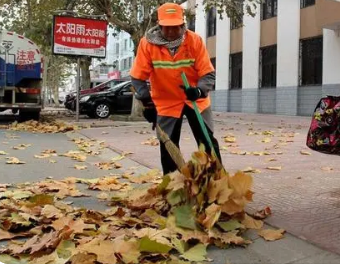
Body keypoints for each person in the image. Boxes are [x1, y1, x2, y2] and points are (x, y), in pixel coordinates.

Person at [130, 2, 222, 175]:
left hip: (195, 99)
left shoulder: (194, 41)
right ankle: (174, 186)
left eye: (176, 27)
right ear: (159, 26)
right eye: (166, 28)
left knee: (207, 142)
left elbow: (208, 74)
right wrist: (147, 103)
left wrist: (199, 90)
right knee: (168, 145)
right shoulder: (147, 44)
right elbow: (137, 77)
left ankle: (215, 181)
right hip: (166, 102)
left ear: (183, 25)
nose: (171, 32)